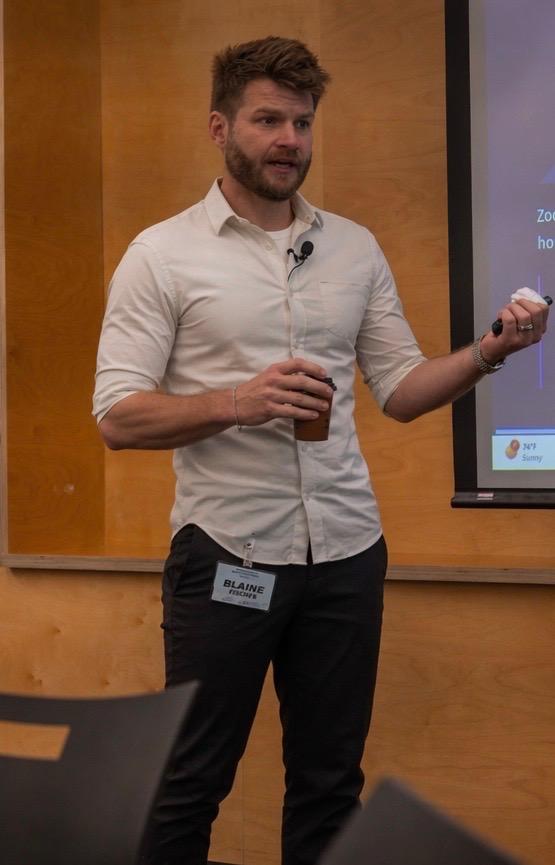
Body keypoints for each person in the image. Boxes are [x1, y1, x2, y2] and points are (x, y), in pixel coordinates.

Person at [93, 35, 549, 865]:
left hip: (345, 552)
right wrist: (239, 401)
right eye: (267, 120)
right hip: (228, 551)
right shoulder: (160, 255)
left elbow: (402, 388)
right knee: (191, 779)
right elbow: (118, 416)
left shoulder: (353, 247)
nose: (288, 141)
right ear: (217, 126)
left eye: (302, 123)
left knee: (331, 783)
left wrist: (492, 351)